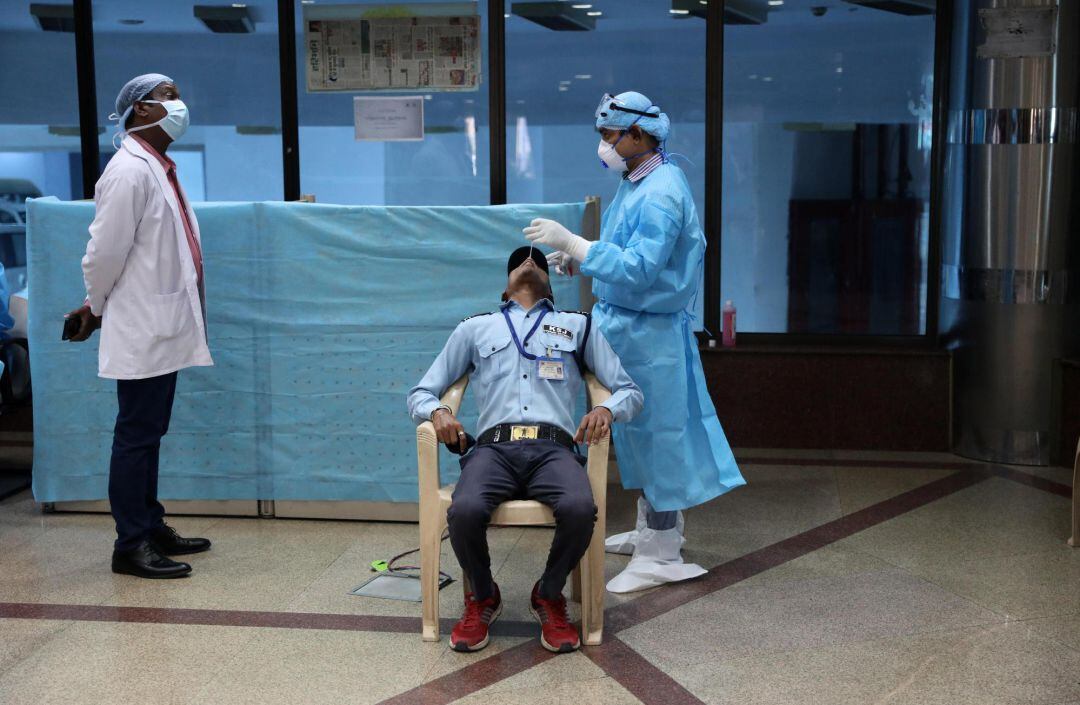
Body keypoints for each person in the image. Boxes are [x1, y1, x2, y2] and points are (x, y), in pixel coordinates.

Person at [522, 91, 746, 594]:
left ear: (638, 135)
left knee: (660, 437)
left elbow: (643, 269)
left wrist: (576, 243)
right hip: (626, 324)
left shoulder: (663, 190)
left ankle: (662, 553)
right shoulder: (637, 179)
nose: (604, 145)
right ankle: (652, 530)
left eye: (609, 136)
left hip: (651, 333)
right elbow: (625, 250)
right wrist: (580, 260)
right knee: (638, 437)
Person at [407, 246, 643, 653]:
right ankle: (483, 596)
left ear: (552, 281)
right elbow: (420, 392)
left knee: (579, 508)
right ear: (506, 284)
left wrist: (606, 407)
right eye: (519, 260)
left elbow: (630, 391)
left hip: (554, 450)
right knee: (463, 510)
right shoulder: (475, 328)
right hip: (493, 450)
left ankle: (549, 595)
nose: (529, 260)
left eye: (537, 260)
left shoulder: (577, 326)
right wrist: (440, 410)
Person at [64, 74, 213, 579]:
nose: (179, 103)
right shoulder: (129, 171)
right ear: (142, 111)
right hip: (142, 323)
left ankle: (150, 525)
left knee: (149, 431)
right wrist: (96, 305)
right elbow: (103, 253)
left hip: (160, 322)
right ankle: (130, 544)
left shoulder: (157, 167)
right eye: (169, 96)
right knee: (136, 434)